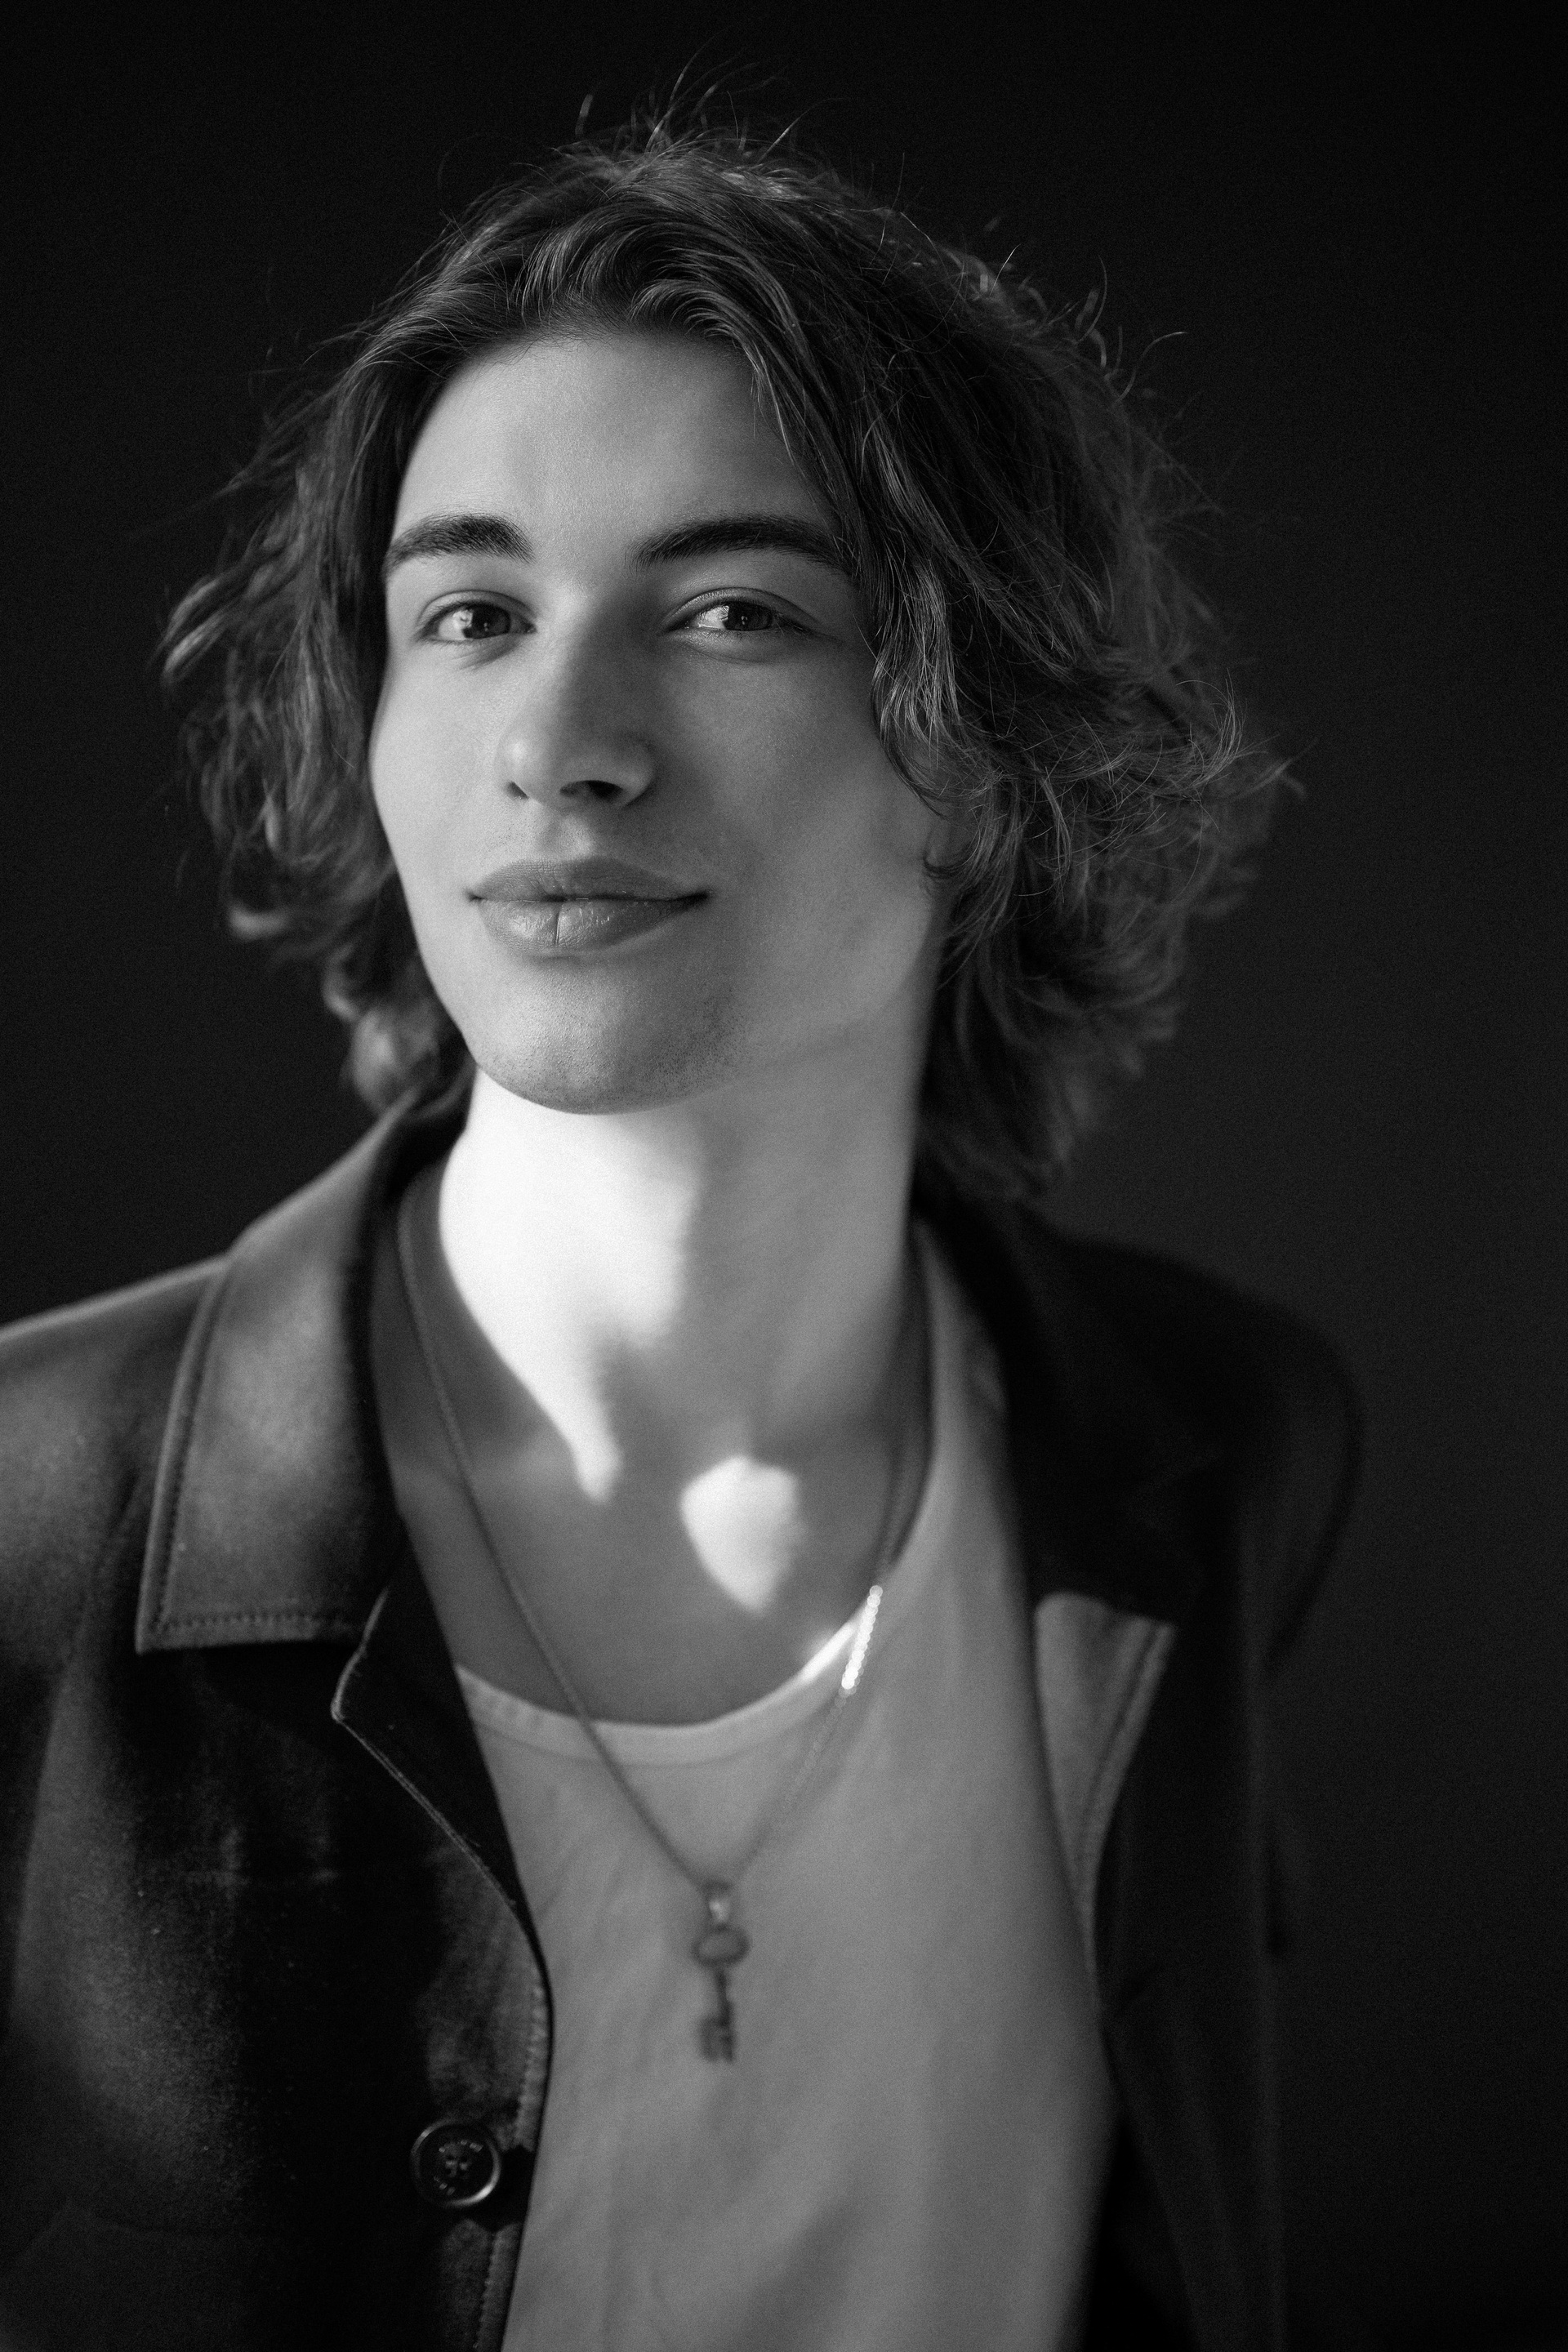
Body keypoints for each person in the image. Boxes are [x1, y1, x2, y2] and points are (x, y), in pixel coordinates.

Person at [0, 106, 1361, 2351]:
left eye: (733, 610)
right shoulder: (30, 1527)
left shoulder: (1222, 1451)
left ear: (993, 748)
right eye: (469, 614)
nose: (559, 742)